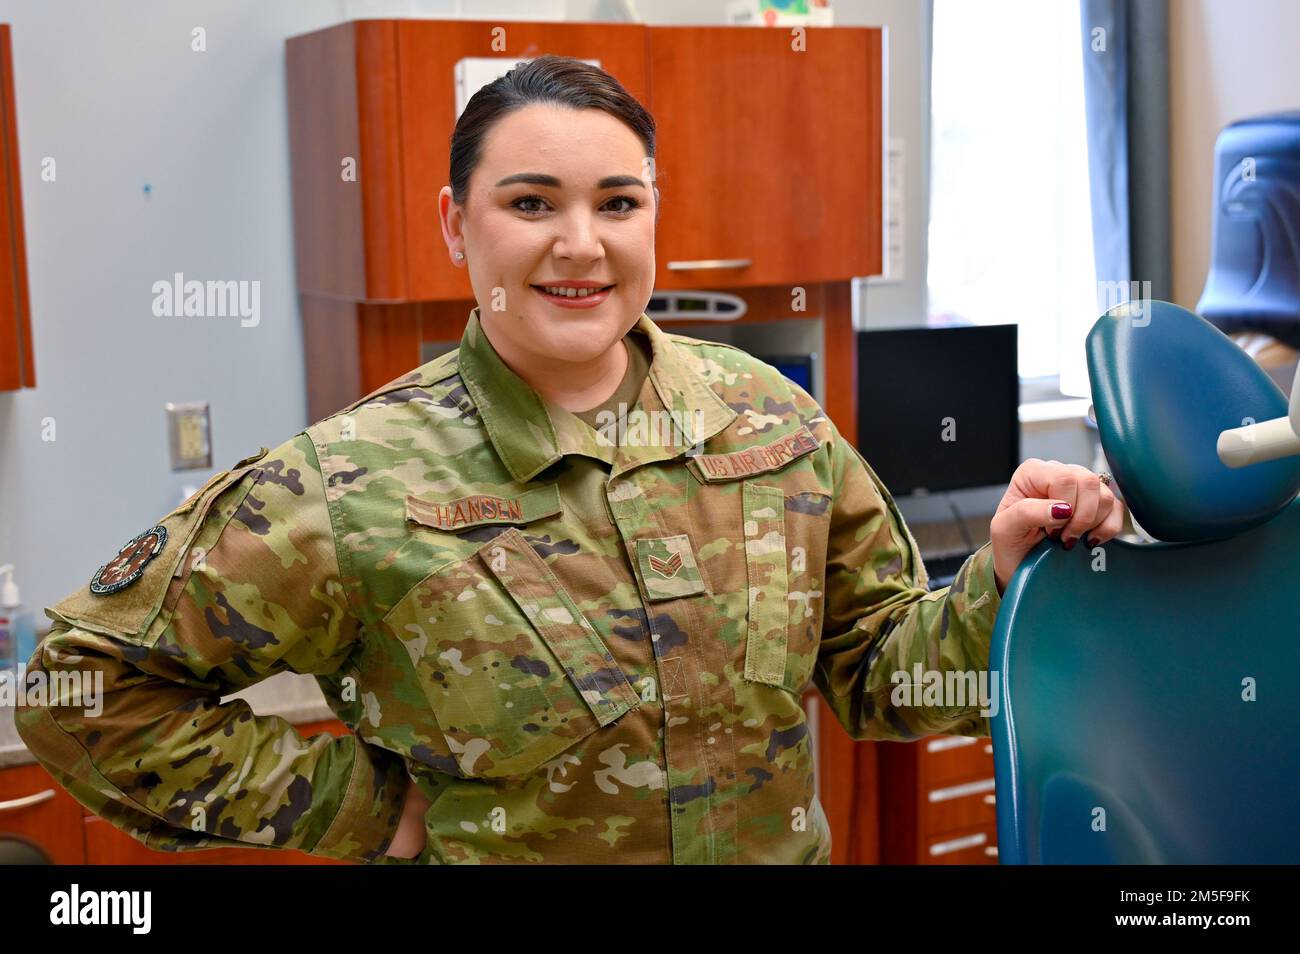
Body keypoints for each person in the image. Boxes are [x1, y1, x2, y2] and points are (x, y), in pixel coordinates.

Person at [15, 55, 1124, 864]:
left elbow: (884, 679)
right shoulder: (349, 483)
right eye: (530, 203)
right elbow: (80, 692)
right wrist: (358, 810)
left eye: (617, 203)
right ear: (457, 225)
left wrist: (1001, 569)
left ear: (654, 221)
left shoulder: (770, 421)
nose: (580, 244)